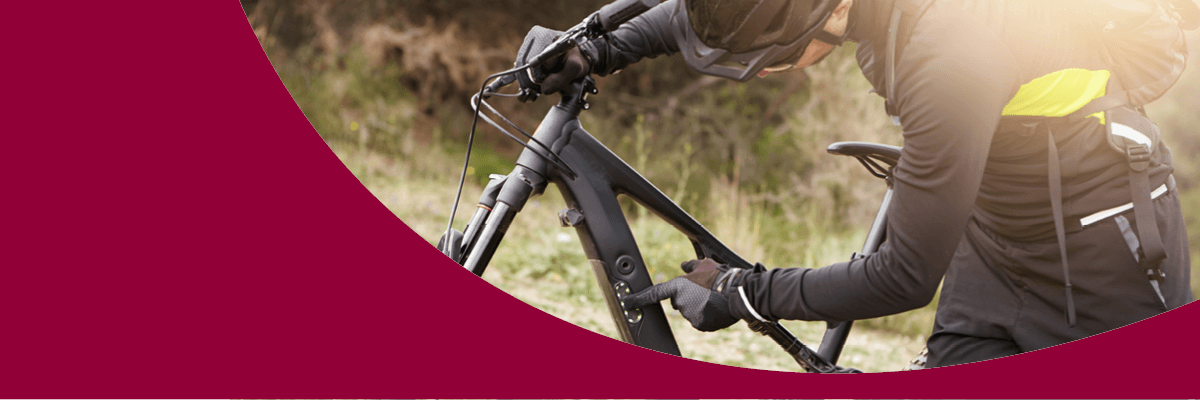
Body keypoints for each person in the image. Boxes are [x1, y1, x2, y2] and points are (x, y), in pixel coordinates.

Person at [513, 0, 1197, 367]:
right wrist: (593, 45)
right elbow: (719, 14)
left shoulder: (949, 48)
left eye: (769, 58)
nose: (764, 69)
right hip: (993, 236)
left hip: (1103, 250)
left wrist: (745, 292)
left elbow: (903, 277)